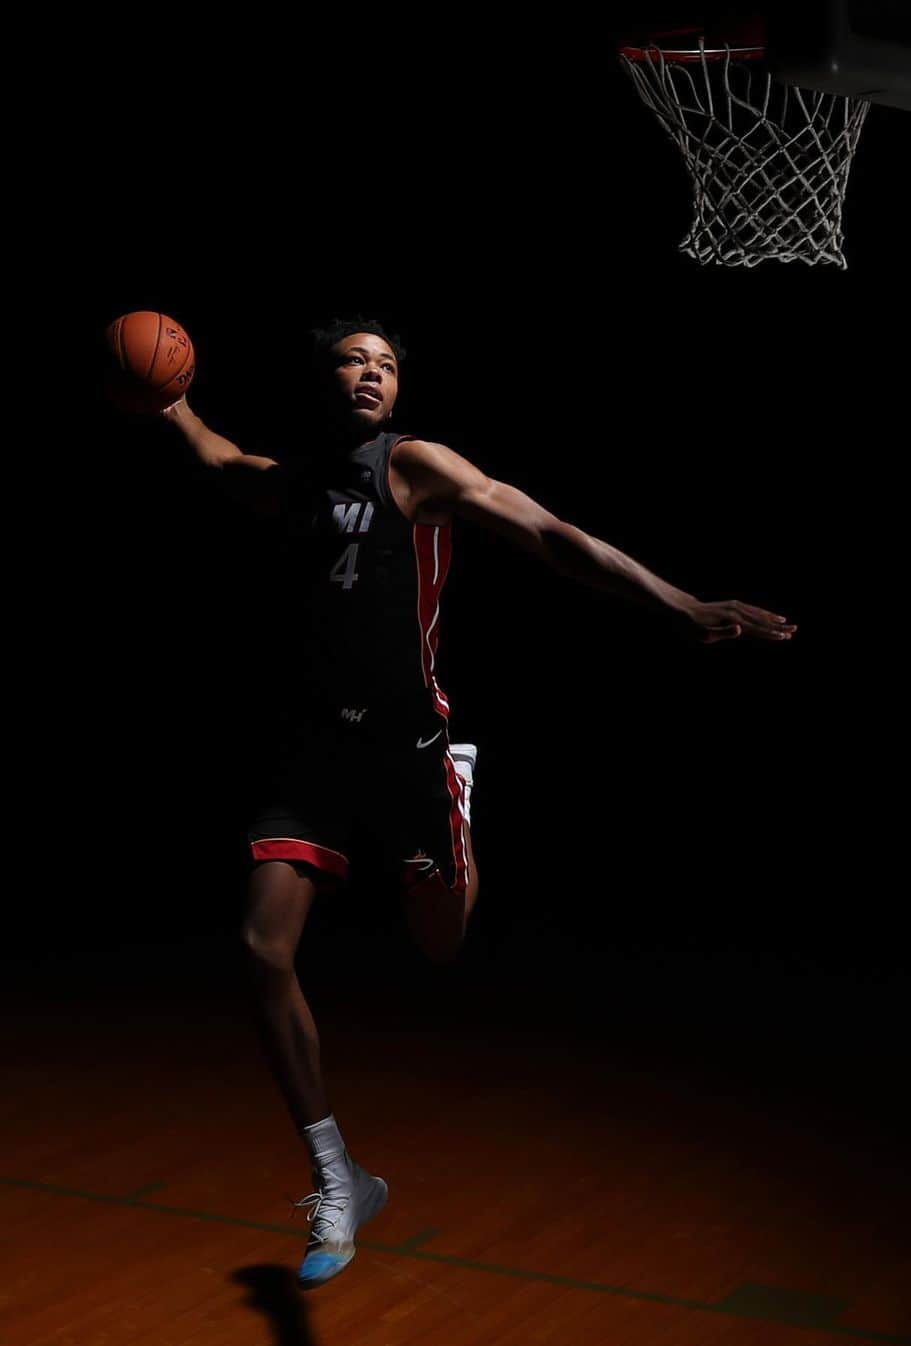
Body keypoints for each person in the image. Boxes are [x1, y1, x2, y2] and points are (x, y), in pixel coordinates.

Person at [160, 313, 797, 1290]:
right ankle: (339, 1176)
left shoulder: (414, 467)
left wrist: (679, 605)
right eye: (353, 359)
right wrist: (168, 398)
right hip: (314, 749)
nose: (372, 374)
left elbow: (547, 528)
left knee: (442, 943)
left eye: (386, 364)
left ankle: (455, 792)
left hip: (407, 747)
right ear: (321, 378)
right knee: (259, 947)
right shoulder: (292, 483)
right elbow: (214, 456)